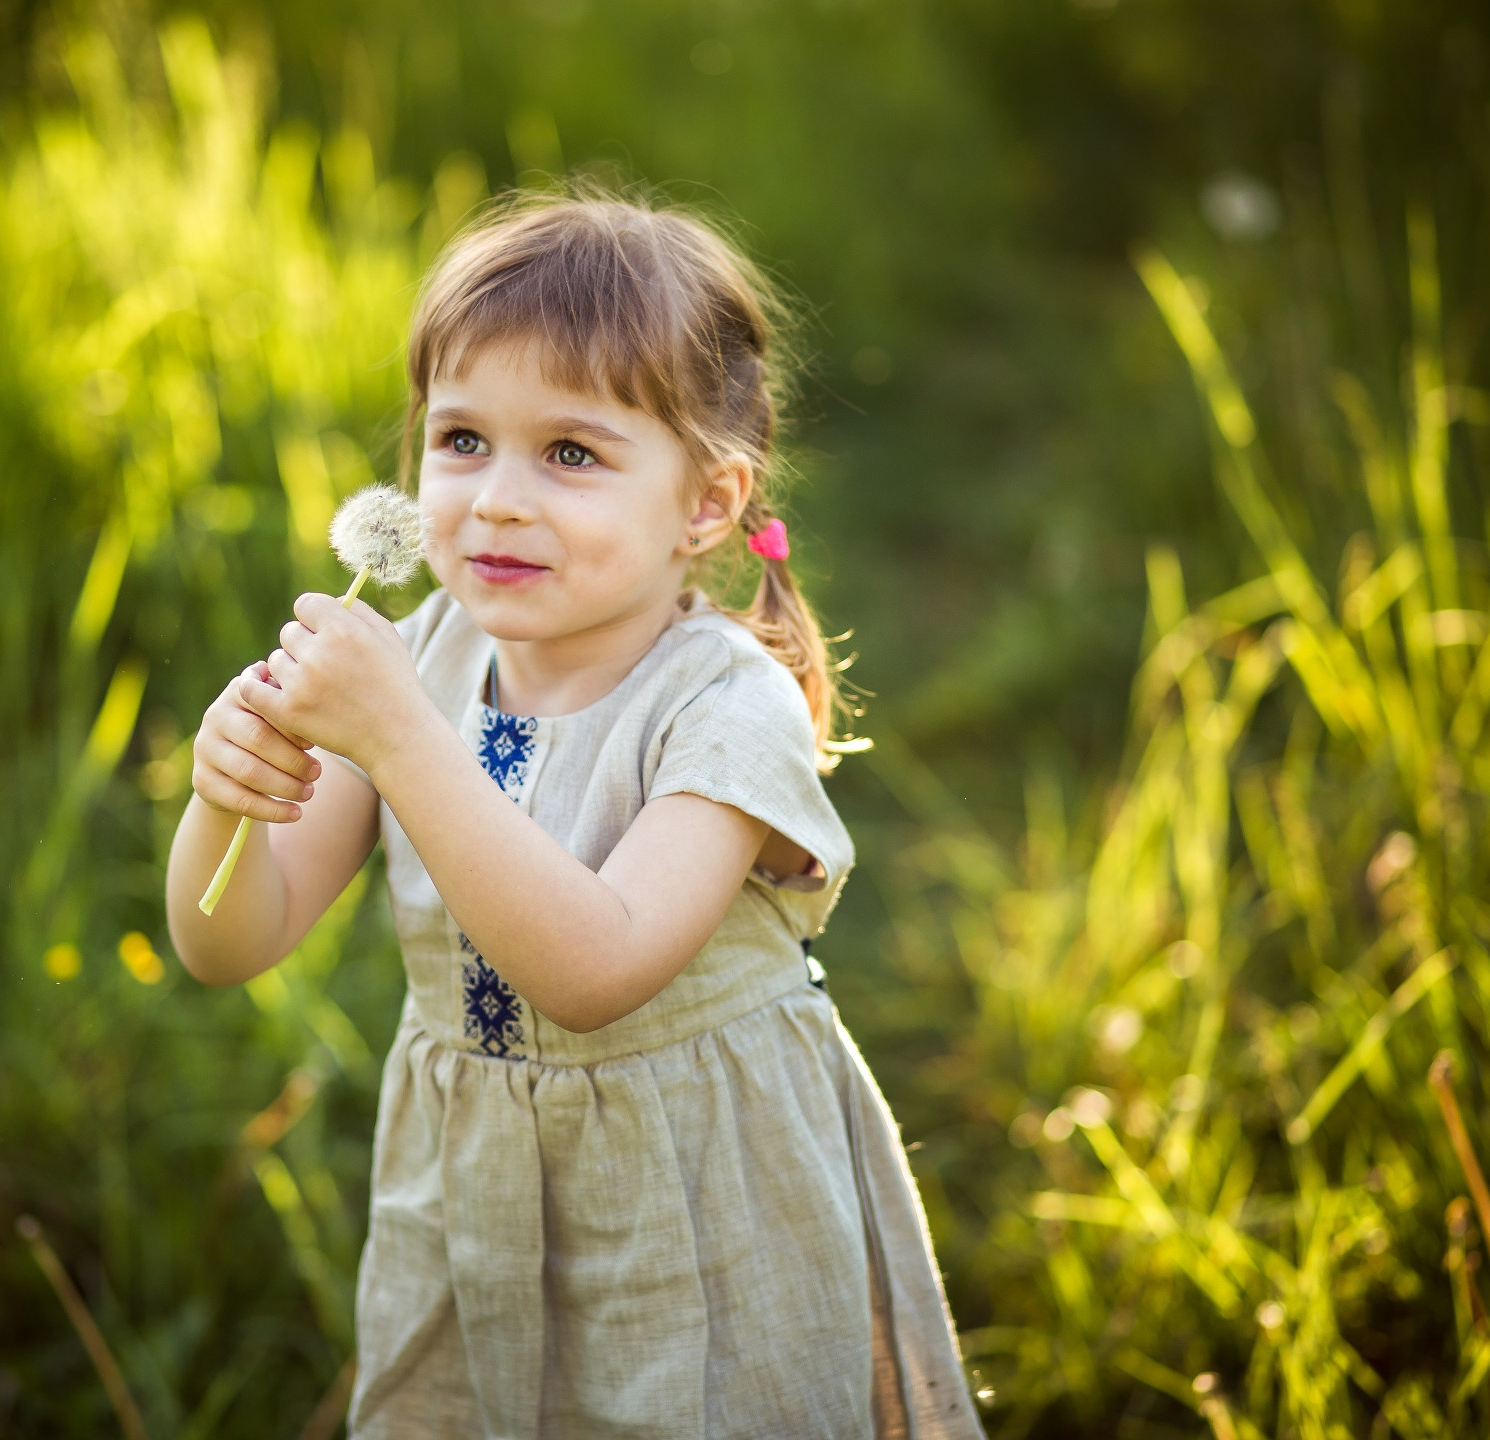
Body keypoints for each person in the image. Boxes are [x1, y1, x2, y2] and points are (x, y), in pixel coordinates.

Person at [166, 190, 983, 1440]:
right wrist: (222, 802)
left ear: (706, 503)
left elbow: (594, 971)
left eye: (571, 454)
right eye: (460, 441)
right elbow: (228, 944)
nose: (495, 499)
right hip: (464, 1202)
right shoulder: (423, 656)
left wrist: (396, 738)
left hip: (697, 1207)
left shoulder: (725, 706)